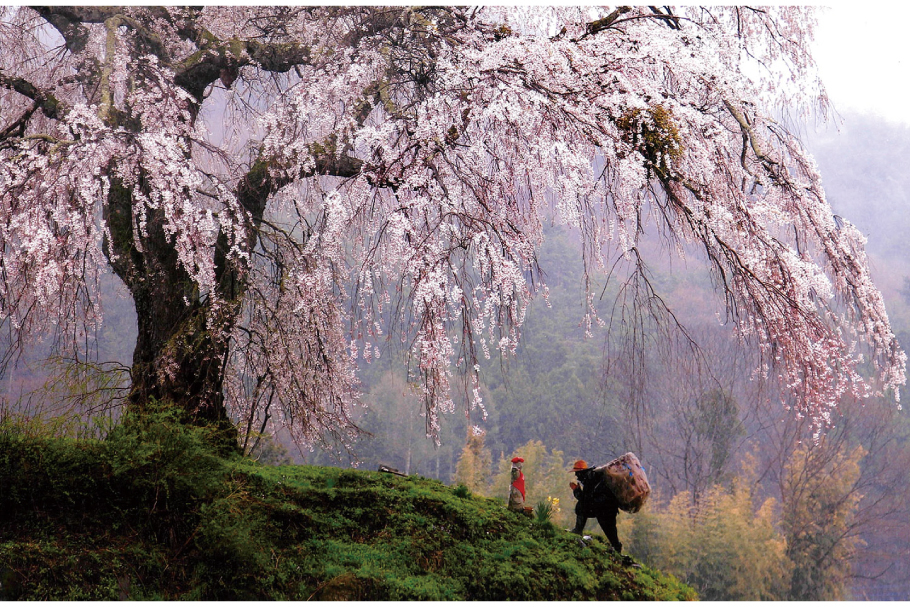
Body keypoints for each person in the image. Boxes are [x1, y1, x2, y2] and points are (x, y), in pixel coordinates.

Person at [569, 459, 622, 554]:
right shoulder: (593, 477)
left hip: (603, 508)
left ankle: (578, 530)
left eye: (577, 473)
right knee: (610, 528)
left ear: (581, 472)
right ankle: (616, 547)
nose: (576, 476)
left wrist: (576, 490)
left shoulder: (590, 479)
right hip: (608, 507)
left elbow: (585, 500)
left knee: (581, 506)